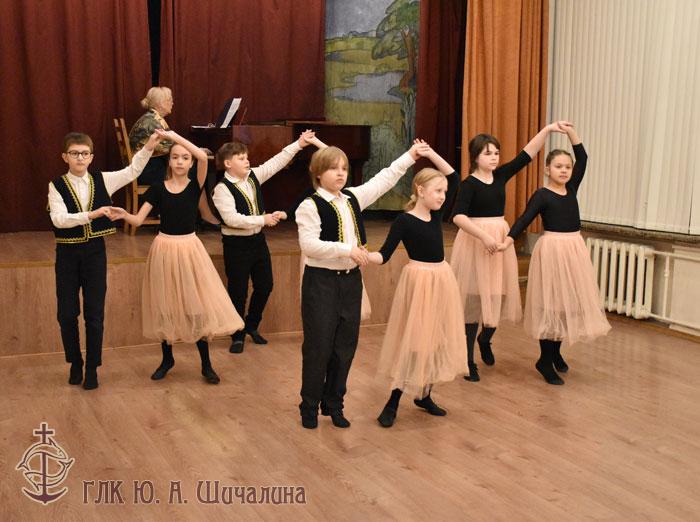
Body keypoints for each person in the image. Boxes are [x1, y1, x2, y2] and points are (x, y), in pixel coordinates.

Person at [295, 140, 426, 429]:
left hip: (351, 282)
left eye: (344, 168)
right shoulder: (309, 206)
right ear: (318, 173)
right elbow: (309, 245)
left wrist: (410, 156)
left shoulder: (352, 198)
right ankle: (309, 407)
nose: (341, 173)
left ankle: (334, 405)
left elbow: (384, 179)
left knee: (345, 348)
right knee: (318, 347)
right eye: (333, 169)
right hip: (321, 282)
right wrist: (347, 250)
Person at [110, 130, 243, 384]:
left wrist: (174, 137)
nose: (180, 161)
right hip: (164, 249)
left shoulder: (194, 185)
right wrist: (123, 215)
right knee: (165, 306)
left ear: (190, 163)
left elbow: (203, 158)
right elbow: (137, 220)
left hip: (190, 248)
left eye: (184, 158)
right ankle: (167, 358)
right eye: (174, 157)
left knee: (196, 307)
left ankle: (206, 364)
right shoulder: (158, 189)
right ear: (169, 162)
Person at [451, 122, 569, 381]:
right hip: (475, 241)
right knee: (473, 302)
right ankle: (468, 360)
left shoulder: (501, 175)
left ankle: (485, 338)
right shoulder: (469, 184)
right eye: (488, 153)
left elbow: (527, 154)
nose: (494, 157)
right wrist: (483, 236)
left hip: (499, 240)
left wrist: (547, 130)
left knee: (498, 296)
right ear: (475, 157)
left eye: (496, 153)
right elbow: (458, 216)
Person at [498, 123, 611, 385]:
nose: (564, 170)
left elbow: (583, 157)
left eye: (567, 167)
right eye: (558, 166)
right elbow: (524, 219)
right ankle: (544, 360)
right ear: (547, 169)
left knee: (565, 305)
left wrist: (570, 132)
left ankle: (556, 353)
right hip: (552, 250)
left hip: (574, 248)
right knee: (551, 305)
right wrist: (508, 240)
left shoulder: (571, 189)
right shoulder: (542, 195)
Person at [49, 131, 160, 389]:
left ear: (91, 157)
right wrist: (91, 214)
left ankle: (92, 368)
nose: (80, 158)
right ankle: (75, 362)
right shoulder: (56, 185)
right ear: (65, 157)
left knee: (94, 314)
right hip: (67, 255)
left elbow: (132, 171)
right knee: (66, 314)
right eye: (75, 153)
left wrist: (149, 147)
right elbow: (58, 219)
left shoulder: (103, 179)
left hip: (95, 253)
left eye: (84, 153)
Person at [367, 142, 464, 428]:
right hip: (419, 282)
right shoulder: (404, 221)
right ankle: (393, 400)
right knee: (414, 343)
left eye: (444, 192)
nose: (443, 196)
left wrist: (430, 153)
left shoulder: (436, 215)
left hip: (441, 278)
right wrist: (364, 256)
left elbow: (455, 177)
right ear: (420, 191)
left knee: (435, 340)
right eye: (437, 191)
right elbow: (384, 255)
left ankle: (424, 394)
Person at [212, 130, 321, 353]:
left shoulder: (253, 176)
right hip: (236, 246)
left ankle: (251, 325)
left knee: (265, 285)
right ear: (228, 164)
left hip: (257, 242)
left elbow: (277, 162)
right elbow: (232, 219)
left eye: (246, 157)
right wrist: (263, 219)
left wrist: (299, 144)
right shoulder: (222, 189)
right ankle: (237, 334)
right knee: (238, 291)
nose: (247, 161)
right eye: (241, 158)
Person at [128, 86, 175, 185]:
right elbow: (171, 146)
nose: (172, 103)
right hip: (147, 171)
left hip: (144, 167)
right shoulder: (152, 121)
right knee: (190, 166)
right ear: (161, 103)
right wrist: (194, 150)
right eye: (170, 100)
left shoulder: (152, 117)